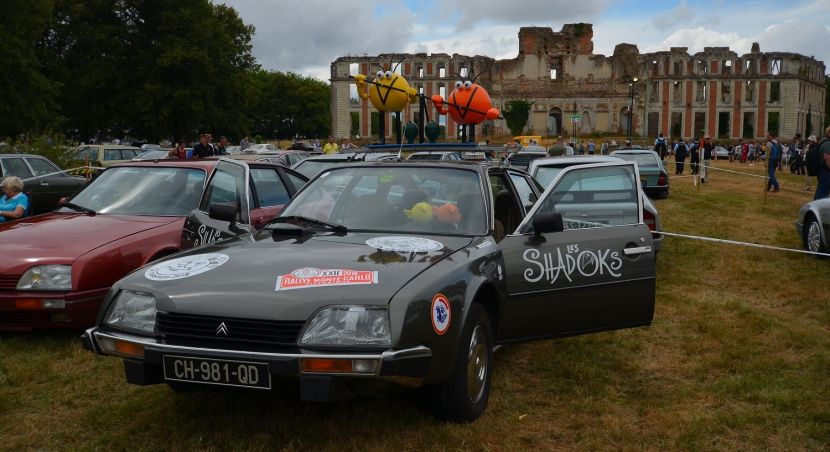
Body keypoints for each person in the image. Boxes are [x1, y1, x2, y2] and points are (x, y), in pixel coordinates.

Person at [815, 126, 830, 200]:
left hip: (823, 171)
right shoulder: (827, 143)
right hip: (826, 171)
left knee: (821, 191)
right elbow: (827, 158)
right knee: (822, 193)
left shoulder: (824, 141)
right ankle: (817, 208)